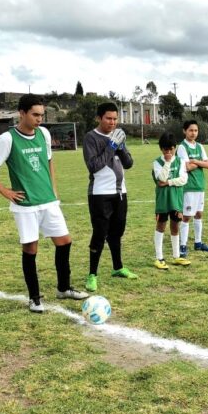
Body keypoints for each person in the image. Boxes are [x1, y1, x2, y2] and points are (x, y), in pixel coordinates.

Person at [0, 94, 87, 313]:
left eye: (41, 115)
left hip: (48, 201)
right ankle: (34, 298)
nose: (39, 119)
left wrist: (53, 189)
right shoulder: (7, 139)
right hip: (25, 205)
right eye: (35, 114)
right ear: (22, 113)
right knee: (31, 248)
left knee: (65, 242)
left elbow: (49, 162)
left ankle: (63, 288)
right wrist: (5, 191)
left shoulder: (44, 134)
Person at [83, 102, 137, 292]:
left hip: (120, 192)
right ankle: (92, 275)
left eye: (115, 119)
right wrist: (111, 145)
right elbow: (94, 165)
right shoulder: (91, 137)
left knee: (117, 232)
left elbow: (129, 164)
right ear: (99, 118)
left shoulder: (117, 135)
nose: (112, 122)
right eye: (108, 118)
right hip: (100, 194)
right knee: (99, 233)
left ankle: (118, 267)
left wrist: (120, 146)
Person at [152, 133, 191, 269]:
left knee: (175, 226)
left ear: (175, 148)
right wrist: (167, 162)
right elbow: (160, 178)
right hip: (163, 200)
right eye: (165, 149)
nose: (168, 152)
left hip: (176, 199)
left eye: (171, 149)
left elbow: (183, 179)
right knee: (161, 226)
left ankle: (176, 256)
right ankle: (159, 258)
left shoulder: (180, 161)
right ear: (161, 149)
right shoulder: (157, 163)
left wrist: (168, 182)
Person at [176, 120, 208, 257]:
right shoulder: (182, 147)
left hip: (200, 185)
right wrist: (200, 163)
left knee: (199, 214)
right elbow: (186, 166)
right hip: (189, 186)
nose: (193, 133)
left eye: (196, 130)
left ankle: (198, 242)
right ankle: (183, 245)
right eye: (191, 130)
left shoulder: (200, 146)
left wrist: (195, 161)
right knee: (186, 217)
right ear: (184, 131)